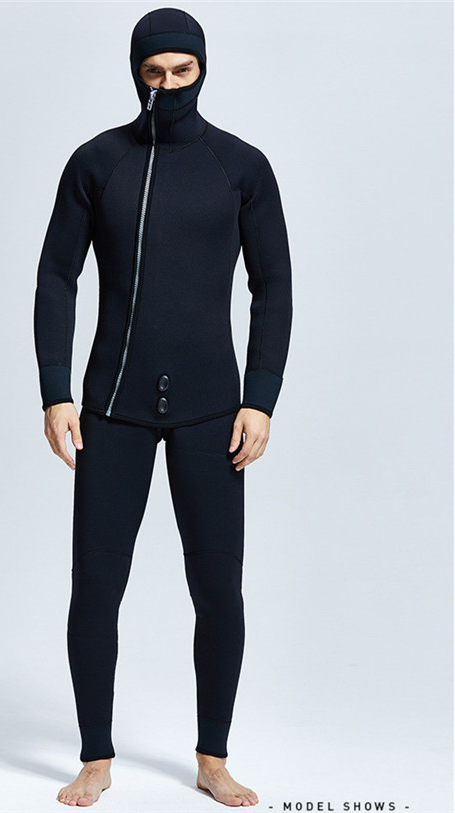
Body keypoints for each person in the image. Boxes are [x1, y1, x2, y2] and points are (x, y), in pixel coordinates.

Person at [33, 6, 292, 807]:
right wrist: (56, 390)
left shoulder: (241, 166)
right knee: (95, 586)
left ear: (202, 70)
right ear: (135, 71)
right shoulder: (98, 162)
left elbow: (274, 287)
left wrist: (260, 399)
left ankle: (212, 756)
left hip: (214, 410)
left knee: (218, 589)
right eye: (154, 72)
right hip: (111, 406)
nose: (168, 85)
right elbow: (57, 276)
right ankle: (95, 756)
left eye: (183, 71)